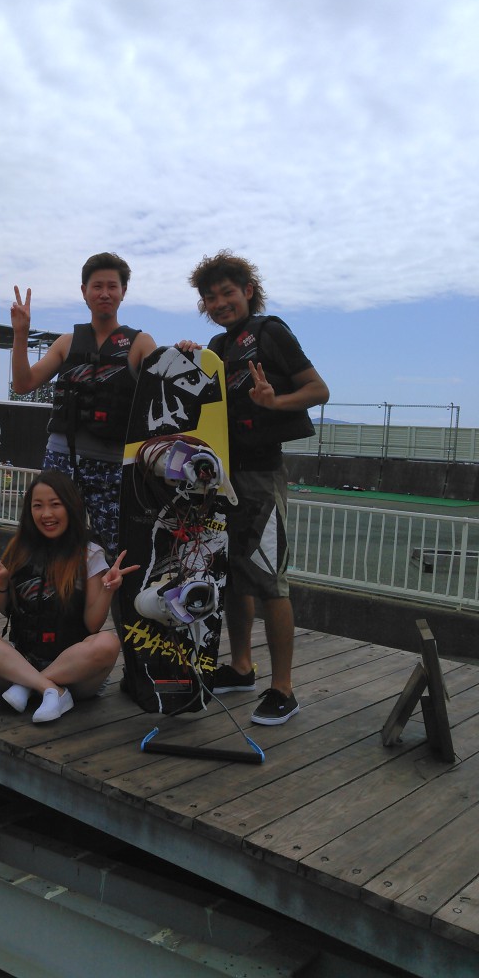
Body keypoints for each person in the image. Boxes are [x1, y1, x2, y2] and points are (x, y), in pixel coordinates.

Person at [182, 250, 329, 726]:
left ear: (248, 291)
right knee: (233, 575)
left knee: (270, 580)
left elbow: (318, 389)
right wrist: (188, 358)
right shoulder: (216, 346)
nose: (219, 303)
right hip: (223, 476)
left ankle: (283, 689)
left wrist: (275, 400)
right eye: (210, 298)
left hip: (262, 477)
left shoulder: (271, 333)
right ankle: (242, 666)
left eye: (227, 292)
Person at [0, 469, 136, 723]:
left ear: (71, 507)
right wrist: (3, 583)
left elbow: (93, 625)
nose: (46, 514)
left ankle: (32, 686)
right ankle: (48, 689)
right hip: (23, 662)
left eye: (55, 504)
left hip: (73, 675)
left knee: (108, 643)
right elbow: (6, 610)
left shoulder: (89, 552)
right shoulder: (20, 547)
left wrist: (108, 590)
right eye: (38, 505)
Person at [10, 252, 156, 561]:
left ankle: (112, 594)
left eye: (112, 286)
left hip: (114, 464)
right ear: (84, 292)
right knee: (51, 545)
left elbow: (165, 390)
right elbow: (23, 384)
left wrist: (186, 353)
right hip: (62, 460)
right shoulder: (66, 343)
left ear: (123, 291)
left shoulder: (141, 344)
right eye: (97, 286)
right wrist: (20, 334)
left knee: (118, 550)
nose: (105, 293)